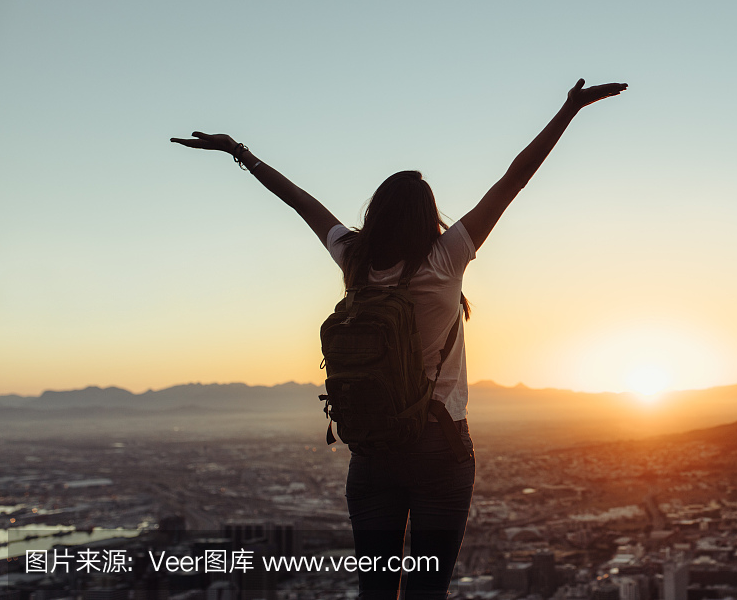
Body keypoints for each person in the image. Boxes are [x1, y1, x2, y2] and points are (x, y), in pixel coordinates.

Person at [171, 78, 627, 600]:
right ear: (426, 214)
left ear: (376, 213)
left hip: (372, 449)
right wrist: (568, 110)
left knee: (375, 593)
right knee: (426, 593)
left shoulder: (355, 260)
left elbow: (302, 202)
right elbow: (515, 178)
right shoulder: (445, 258)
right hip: (439, 444)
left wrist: (238, 152)